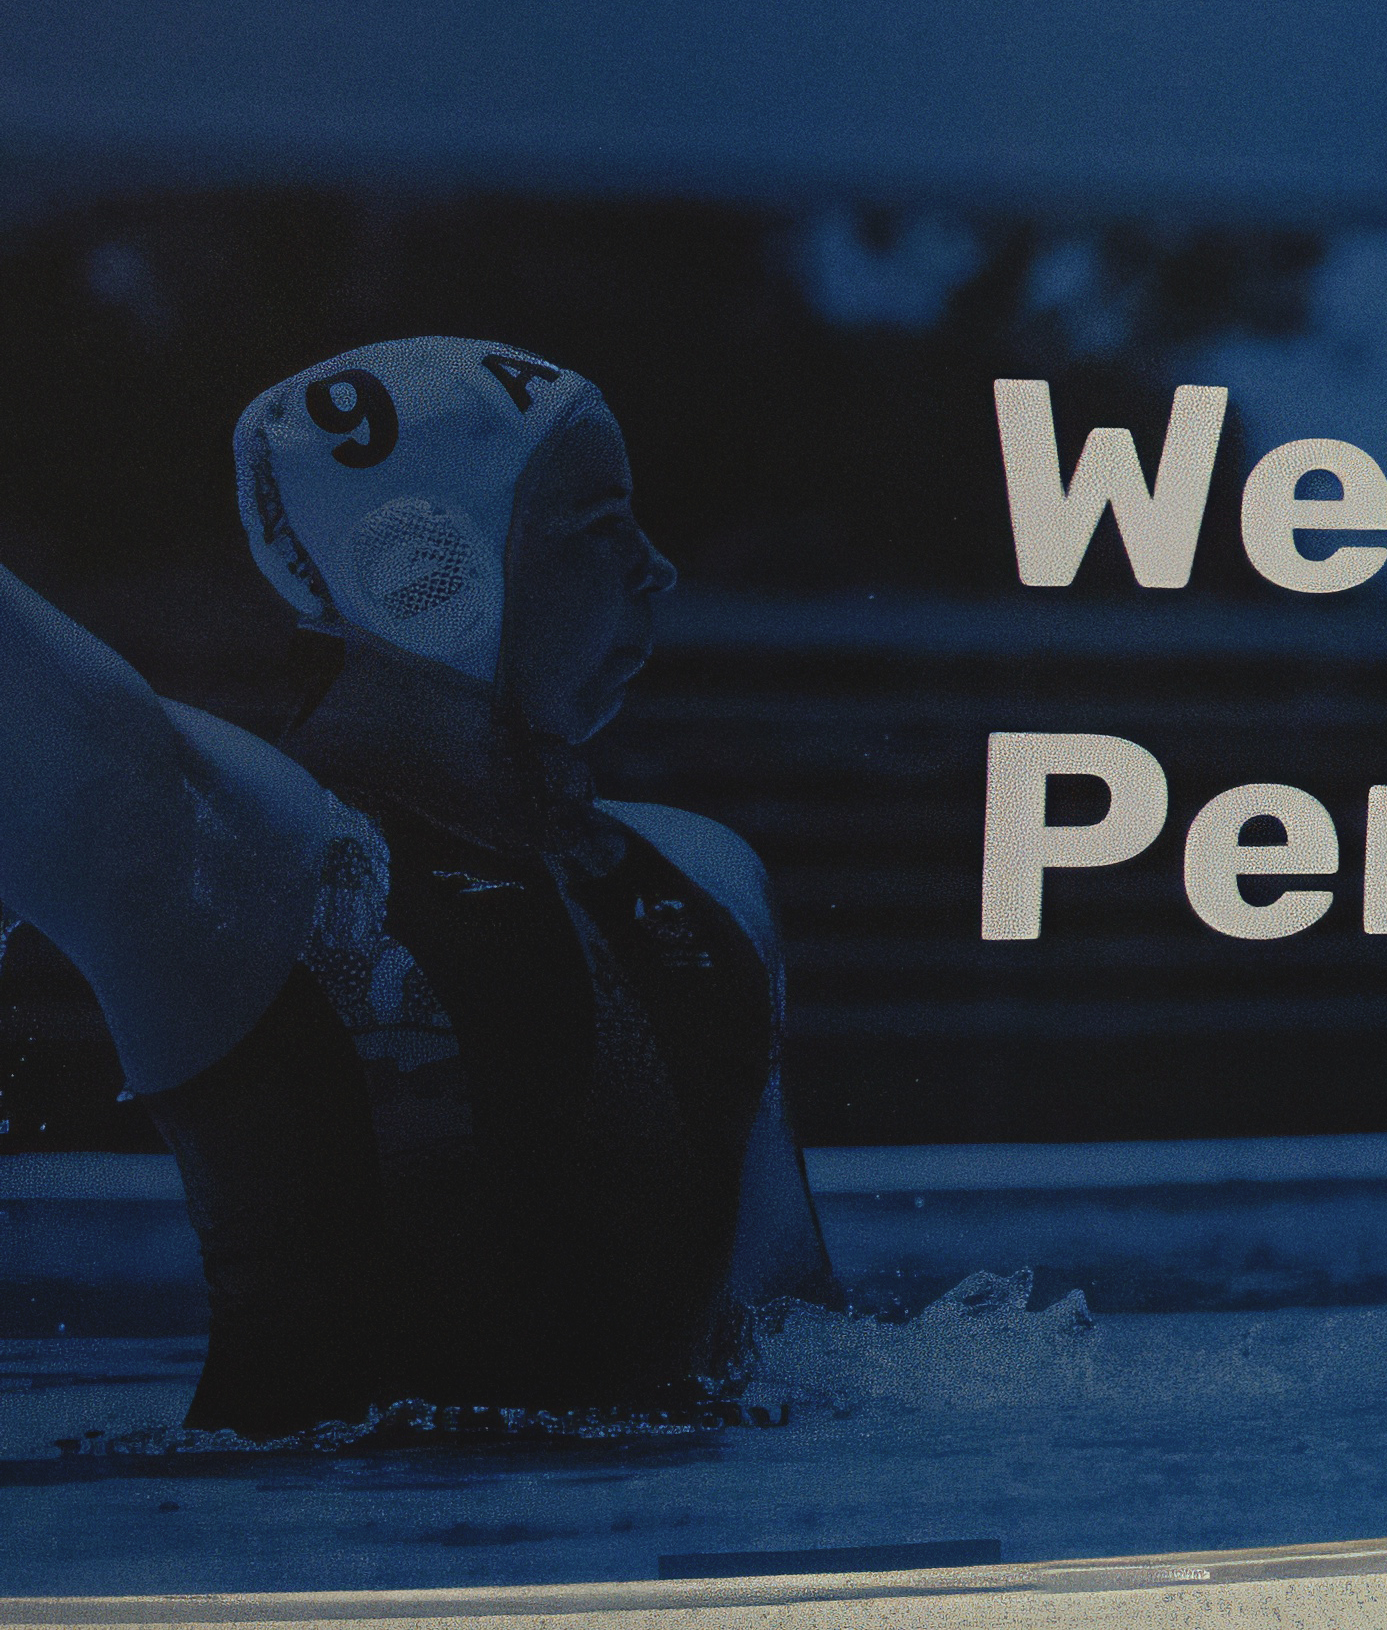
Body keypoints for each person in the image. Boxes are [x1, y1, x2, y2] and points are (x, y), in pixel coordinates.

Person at [0, 335, 827, 1430]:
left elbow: (795, 1345)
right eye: (600, 527)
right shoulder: (256, 860)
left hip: (626, 1549)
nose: (655, 567)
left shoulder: (713, 881)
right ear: (432, 573)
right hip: (326, 1565)